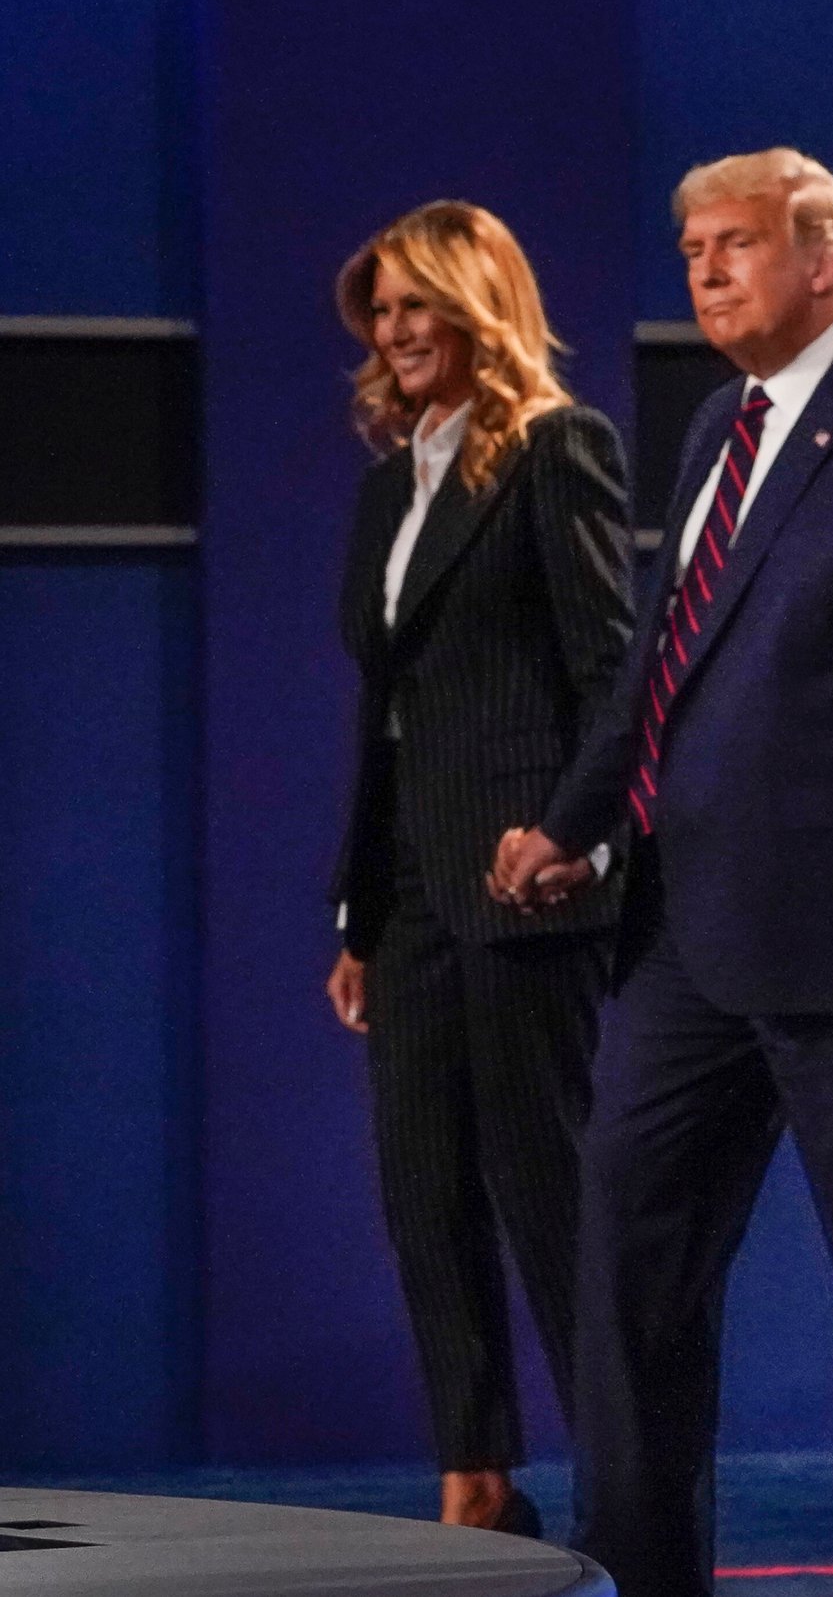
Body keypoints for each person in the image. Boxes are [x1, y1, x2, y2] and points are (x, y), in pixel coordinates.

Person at [490, 147, 833, 1597]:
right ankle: (639, 1567)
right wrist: (573, 824)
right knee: (630, 1263)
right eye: (689, 248)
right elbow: (661, 674)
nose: (707, 270)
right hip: (687, 933)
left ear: (828, 259)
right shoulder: (720, 429)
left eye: (734, 243)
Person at [324, 200, 634, 1534]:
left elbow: (613, 670)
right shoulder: (390, 486)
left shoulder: (559, 449)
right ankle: (477, 1480)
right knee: (424, 1195)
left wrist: (576, 832)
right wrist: (358, 911)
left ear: (476, 307)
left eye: (415, 306)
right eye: (380, 311)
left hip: (525, 886)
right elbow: (384, 720)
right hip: (409, 900)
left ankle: (629, 1480)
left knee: (545, 1191)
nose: (393, 333)